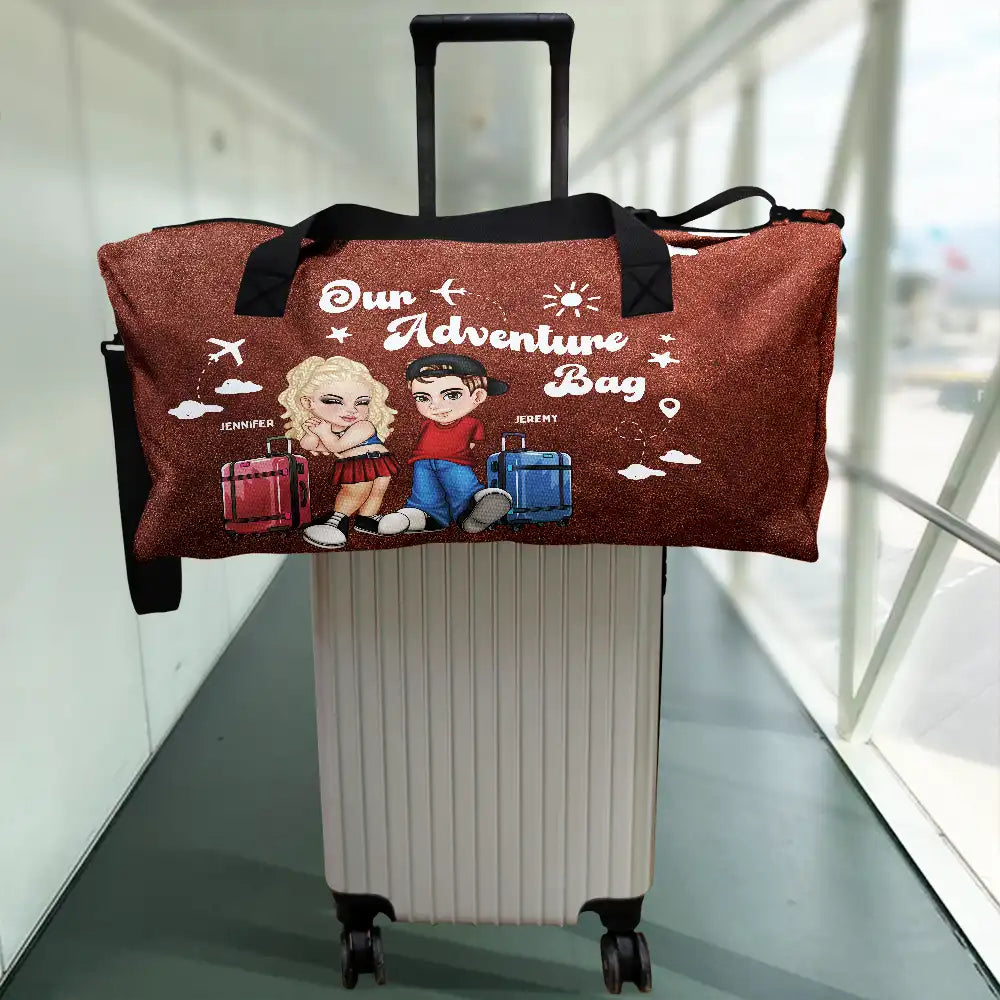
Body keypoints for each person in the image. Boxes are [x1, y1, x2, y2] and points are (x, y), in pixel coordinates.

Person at [376, 353, 513, 536]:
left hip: (455, 462)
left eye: (452, 395)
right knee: (424, 493)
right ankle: (417, 515)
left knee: (463, 488)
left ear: (478, 396)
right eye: (423, 398)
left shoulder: (471, 423)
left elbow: (472, 444)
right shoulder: (427, 424)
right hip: (422, 463)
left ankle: (474, 509)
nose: (435, 406)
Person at [278, 356, 399, 549]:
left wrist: (324, 433)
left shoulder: (364, 425)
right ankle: (336, 521)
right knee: (354, 492)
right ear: (308, 403)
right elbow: (311, 446)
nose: (352, 410)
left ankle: (366, 519)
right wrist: (312, 433)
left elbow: (336, 446)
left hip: (378, 461)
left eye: (362, 402)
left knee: (376, 493)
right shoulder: (328, 430)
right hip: (357, 464)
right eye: (334, 401)